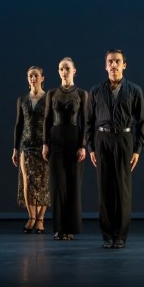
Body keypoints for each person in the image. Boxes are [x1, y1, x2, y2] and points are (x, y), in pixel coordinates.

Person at [86, 50, 144, 249]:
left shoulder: (134, 90)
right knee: (105, 189)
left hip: (124, 139)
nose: (114, 65)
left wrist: (137, 149)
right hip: (102, 140)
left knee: (122, 189)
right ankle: (107, 236)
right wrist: (91, 147)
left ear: (124, 65)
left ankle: (120, 236)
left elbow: (142, 121)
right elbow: (88, 121)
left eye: (117, 61)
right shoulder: (95, 91)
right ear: (105, 66)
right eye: (110, 62)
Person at [43, 57, 87, 241]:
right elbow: (46, 120)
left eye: (67, 68)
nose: (64, 71)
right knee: (57, 185)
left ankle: (70, 228)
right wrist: (45, 143)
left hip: (74, 138)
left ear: (74, 71)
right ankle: (59, 229)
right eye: (61, 68)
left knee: (73, 185)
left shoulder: (82, 94)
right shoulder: (52, 93)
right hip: (56, 139)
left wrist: (83, 145)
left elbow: (85, 121)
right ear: (58, 71)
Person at [12, 66, 50, 234]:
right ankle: (31, 217)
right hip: (26, 144)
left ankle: (41, 218)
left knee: (43, 181)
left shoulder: (49, 98)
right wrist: (15, 148)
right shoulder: (22, 100)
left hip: (44, 144)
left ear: (42, 78)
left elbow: (52, 123)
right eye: (30, 76)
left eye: (36, 75)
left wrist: (49, 143)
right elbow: (19, 125)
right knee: (27, 180)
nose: (33, 78)